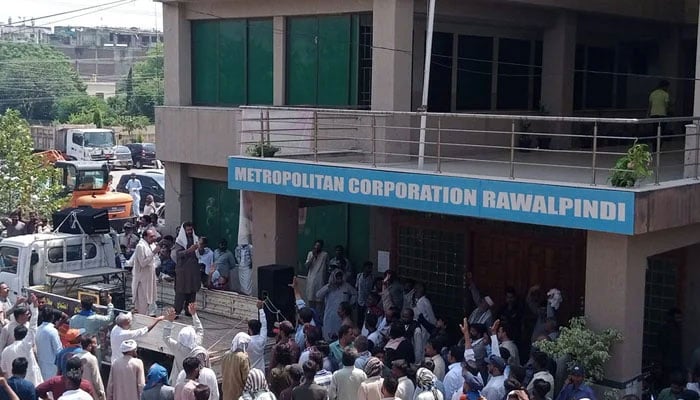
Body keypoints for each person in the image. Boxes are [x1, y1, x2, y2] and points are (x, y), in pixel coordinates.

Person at [163, 304, 206, 385]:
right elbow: (200, 330)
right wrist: (194, 315)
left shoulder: (177, 347)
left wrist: (169, 321)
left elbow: (166, 337)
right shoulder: (197, 345)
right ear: (193, 337)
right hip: (192, 383)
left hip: (177, 382)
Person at [317, 269, 357, 341]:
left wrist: (350, 304)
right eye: (337, 278)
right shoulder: (329, 286)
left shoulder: (346, 286)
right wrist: (329, 286)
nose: (339, 280)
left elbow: (355, 294)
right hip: (330, 315)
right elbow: (318, 295)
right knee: (328, 335)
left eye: (340, 278)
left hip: (342, 315)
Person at [172, 222, 201, 317]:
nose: (189, 231)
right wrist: (190, 250)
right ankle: (176, 312)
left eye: (191, 229)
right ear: (184, 230)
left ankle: (189, 311)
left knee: (192, 291)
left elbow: (199, 253)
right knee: (181, 292)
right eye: (187, 230)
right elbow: (178, 254)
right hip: (183, 271)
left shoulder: (195, 239)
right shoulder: (179, 241)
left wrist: (199, 248)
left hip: (193, 270)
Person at [132, 228, 160, 316]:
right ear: (145, 237)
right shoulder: (140, 246)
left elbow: (154, 261)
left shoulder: (151, 245)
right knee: (142, 302)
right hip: (142, 280)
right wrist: (153, 252)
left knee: (150, 300)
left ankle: (148, 317)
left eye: (154, 236)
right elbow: (143, 263)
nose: (153, 238)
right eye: (151, 237)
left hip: (150, 278)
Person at [222, 333, 251, 400]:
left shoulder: (225, 355)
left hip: (226, 393)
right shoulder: (243, 357)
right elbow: (246, 378)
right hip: (238, 394)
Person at [36, 307, 62, 380]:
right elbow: (58, 350)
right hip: (52, 366)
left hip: (40, 364)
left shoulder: (37, 329)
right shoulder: (52, 331)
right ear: (52, 317)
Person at [76, 335, 105, 400]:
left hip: (77, 393)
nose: (96, 346)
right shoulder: (92, 358)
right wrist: (101, 393)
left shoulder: (75, 357)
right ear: (89, 346)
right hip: (91, 393)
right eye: (94, 344)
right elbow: (97, 379)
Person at [305, 240, 329, 308]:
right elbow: (306, 266)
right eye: (316, 246)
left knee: (319, 303)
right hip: (311, 281)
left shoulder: (325, 255)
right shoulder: (310, 254)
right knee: (310, 301)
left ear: (321, 247)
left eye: (319, 246)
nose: (317, 247)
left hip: (320, 281)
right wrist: (313, 256)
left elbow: (328, 267)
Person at [246, 301, 267, 371]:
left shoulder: (246, 342)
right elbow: (264, 325)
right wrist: (261, 309)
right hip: (261, 371)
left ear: (250, 329)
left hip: (250, 372)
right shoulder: (262, 339)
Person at [356, 262, 375, 327]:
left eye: (371, 268)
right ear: (364, 268)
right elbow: (357, 287)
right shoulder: (359, 276)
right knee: (359, 318)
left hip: (367, 302)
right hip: (360, 300)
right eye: (368, 268)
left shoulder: (372, 278)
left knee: (366, 317)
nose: (370, 269)